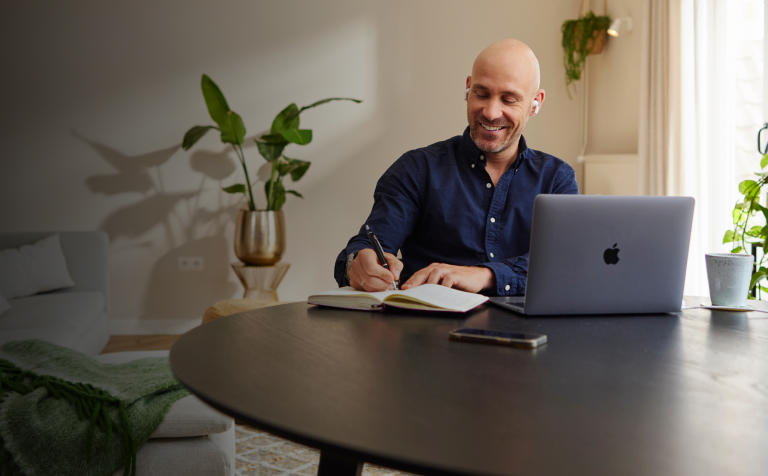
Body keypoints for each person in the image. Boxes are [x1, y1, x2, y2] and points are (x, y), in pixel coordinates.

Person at [333, 39, 579, 295]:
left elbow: (565, 264)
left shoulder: (557, 179)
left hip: (530, 333)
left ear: (535, 103)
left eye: (509, 99)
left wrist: (485, 276)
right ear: (468, 89)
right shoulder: (416, 169)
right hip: (430, 331)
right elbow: (365, 247)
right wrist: (358, 264)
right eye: (481, 94)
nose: (492, 112)